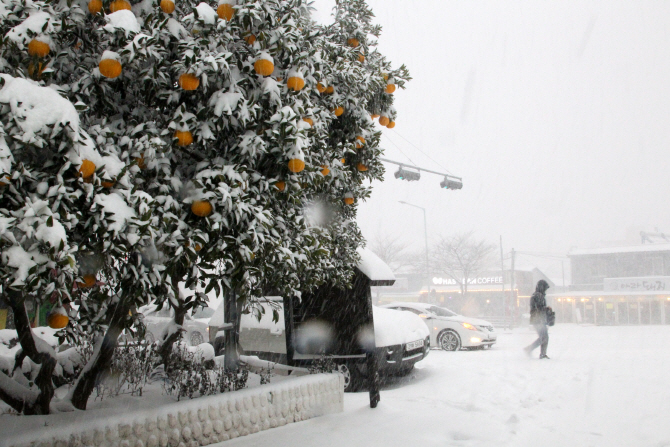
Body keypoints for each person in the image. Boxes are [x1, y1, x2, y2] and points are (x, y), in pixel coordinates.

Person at [525, 279, 550, 359]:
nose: (546, 290)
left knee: (543, 337)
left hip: (537, 320)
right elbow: (539, 309)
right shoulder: (538, 296)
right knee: (544, 337)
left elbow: (537, 308)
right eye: (545, 288)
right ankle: (540, 353)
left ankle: (535, 351)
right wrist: (547, 310)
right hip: (539, 320)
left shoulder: (536, 295)